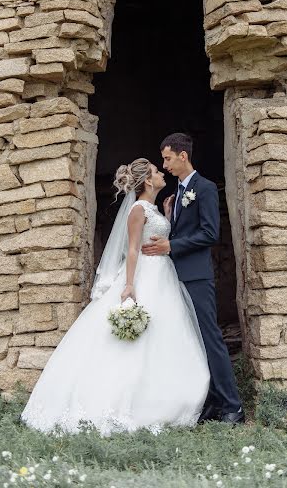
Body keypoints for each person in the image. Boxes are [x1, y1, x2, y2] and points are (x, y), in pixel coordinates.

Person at [21, 158, 210, 435]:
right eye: (157, 172)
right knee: (140, 341)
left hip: (163, 275)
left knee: (164, 334)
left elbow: (154, 238)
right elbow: (133, 249)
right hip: (146, 275)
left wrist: (167, 216)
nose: (161, 174)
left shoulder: (153, 208)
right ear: (147, 180)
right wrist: (130, 285)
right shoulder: (137, 209)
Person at [141, 133, 245, 425]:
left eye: (167, 158)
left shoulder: (206, 188)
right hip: (178, 276)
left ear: (182, 156)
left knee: (210, 338)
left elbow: (211, 234)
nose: (165, 164)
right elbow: (186, 229)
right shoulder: (178, 190)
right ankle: (210, 401)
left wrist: (171, 245)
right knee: (194, 341)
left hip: (197, 276)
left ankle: (233, 406)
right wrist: (170, 216)